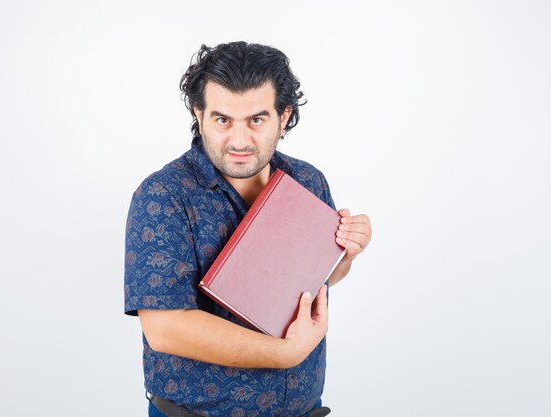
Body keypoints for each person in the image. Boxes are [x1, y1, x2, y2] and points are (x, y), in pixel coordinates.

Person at [124, 41, 372, 417]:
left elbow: (315, 281)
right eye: (223, 120)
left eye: (256, 120)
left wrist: (346, 252)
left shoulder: (307, 180)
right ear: (199, 113)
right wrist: (285, 354)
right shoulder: (163, 195)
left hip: (305, 409)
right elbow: (165, 328)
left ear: (283, 116)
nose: (239, 141)